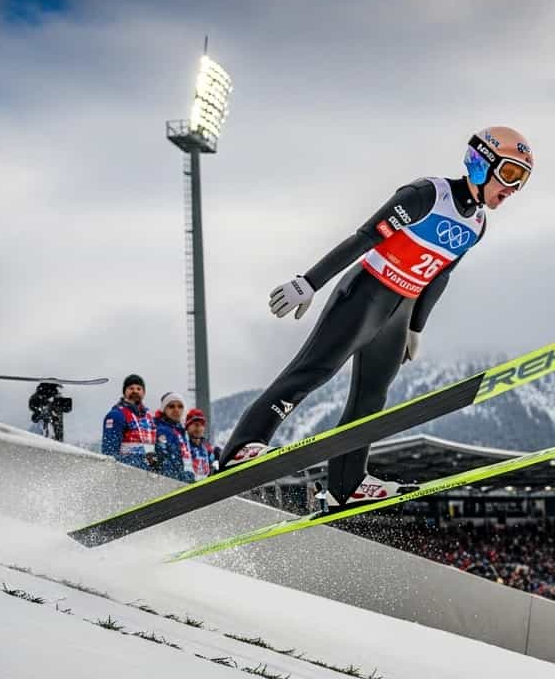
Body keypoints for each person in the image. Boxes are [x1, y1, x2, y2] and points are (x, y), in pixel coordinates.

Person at [217, 126, 534, 509]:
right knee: (314, 371)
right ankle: (241, 447)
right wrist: (310, 282)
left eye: (523, 180)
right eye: (511, 174)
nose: (514, 188)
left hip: (399, 309)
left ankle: (345, 485)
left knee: (372, 396)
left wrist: (416, 327)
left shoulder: (477, 225)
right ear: (482, 164)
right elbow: (365, 237)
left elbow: (439, 275)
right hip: (366, 293)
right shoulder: (427, 195)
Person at [102, 374, 155, 471]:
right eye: (131, 388)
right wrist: (142, 462)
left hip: (150, 475)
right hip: (127, 474)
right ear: (124, 392)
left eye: (139, 389)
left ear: (144, 393)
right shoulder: (116, 415)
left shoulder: (150, 418)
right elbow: (109, 455)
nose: (135, 391)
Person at [153, 392, 196, 483]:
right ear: (164, 409)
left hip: (184, 481)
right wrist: (179, 478)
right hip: (171, 482)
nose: (176, 410)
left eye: (180, 406)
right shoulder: (161, 430)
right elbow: (163, 460)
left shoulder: (182, 432)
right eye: (171, 406)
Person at [185, 407, 218, 480]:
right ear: (187, 426)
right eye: (196, 425)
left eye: (202, 425)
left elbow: (214, 469)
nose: (199, 428)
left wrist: (217, 460)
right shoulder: (183, 446)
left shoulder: (207, 448)